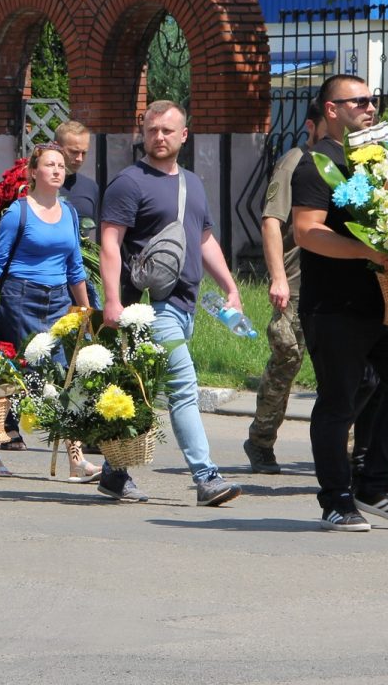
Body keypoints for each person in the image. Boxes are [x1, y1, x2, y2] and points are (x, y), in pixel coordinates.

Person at [293, 75, 388, 531]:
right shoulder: (318, 163)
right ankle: (336, 499)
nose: (371, 107)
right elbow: (307, 231)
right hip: (337, 304)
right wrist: (366, 250)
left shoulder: (387, 161)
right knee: (340, 401)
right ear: (331, 109)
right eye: (360, 101)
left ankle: (375, 484)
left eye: (374, 100)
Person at [99, 101, 245, 507]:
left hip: (185, 305)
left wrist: (230, 287)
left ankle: (113, 472)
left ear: (184, 135)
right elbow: (110, 242)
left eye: (167, 130)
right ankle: (207, 477)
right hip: (149, 306)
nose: (159, 137)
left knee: (141, 389)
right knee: (183, 388)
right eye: (152, 130)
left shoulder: (192, 183)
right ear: (143, 133)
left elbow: (204, 239)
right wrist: (112, 300)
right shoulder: (129, 183)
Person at [0, 143, 96, 479]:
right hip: (20, 300)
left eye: (61, 166)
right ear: (34, 172)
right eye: (50, 165)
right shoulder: (18, 212)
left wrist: (85, 310)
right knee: (11, 378)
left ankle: (76, 460)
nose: (57, 170)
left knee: (64, 377)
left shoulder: (69, 213)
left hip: (58, 302)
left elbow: (75, 266)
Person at [244, 100, 323, 473]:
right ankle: (260, 440)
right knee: (287, 359)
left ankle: (348, 451)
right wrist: (278, 278)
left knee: (342, 369)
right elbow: (271, 221)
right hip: (295, 282)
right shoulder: (294, 161)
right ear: (312, 125)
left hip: (334, 283)